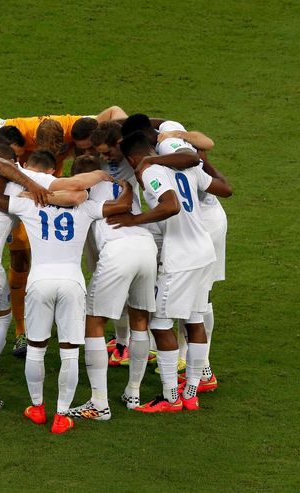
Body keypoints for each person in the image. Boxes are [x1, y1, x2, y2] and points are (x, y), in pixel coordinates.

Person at [0, 137, 110, 411]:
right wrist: (99, 173)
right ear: (49, 171)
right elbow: (76, 193)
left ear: (24, 162)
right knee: (1, 320)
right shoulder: (38, 178)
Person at [0, 172, 133, 433]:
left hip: (39, 282)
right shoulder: (85, 207)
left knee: (36, 348)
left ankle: (37, 408)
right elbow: (122, 206)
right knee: (69, 352)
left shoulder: (29, 203)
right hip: (72, 283)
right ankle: (62, 416)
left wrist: (4, 174)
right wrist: (127, 186)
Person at [108, 131, 231, 412]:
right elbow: (226, 189)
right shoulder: (187, 168)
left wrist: (135, 219)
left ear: (132, 158)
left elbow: (171, 205)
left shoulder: (154, 173)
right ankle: (191, 393)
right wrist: (205, 162)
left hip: (181, 256)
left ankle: (170, 397)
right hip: (204, 251)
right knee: (194, 319)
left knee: (161, 324)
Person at [65, 156, 158, 419]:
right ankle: (133, 392)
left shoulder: (83, 193)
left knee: (94, 321)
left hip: (117, 250)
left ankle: (98, 403)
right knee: (140, 318)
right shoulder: (125, 182)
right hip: (146, 245)